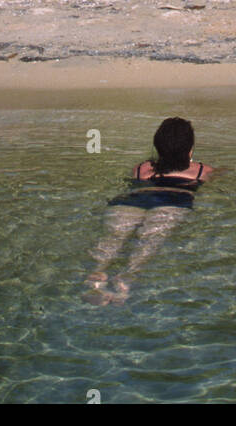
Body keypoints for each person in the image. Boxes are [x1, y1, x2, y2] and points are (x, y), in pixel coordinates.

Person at [84, 117, 214, 305]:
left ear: (158, 146)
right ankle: (126, 278)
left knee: (113, 238)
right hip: (172, 200)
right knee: (148, 242)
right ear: (190, 148)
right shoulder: (202, 170)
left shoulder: (141, 168)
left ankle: (97, 272)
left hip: (131, 200)